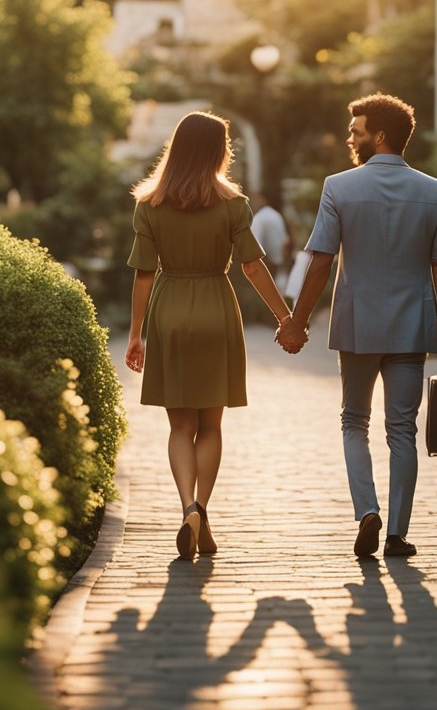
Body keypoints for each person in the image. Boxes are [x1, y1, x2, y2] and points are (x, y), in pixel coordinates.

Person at [278, 93, 437, 558]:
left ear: (379, 135)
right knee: (402, 430)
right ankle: (398, 534)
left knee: (353, 421)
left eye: (357, 130)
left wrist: (296, 322)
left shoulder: (338, 187)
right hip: (411, 327)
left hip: (358, 325)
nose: (351, 137)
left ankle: (367, 512)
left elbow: (321, 261)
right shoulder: (434, 191)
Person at [125, 110, 300, 560]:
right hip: (217, 310)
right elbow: (253, 267)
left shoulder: (149, 204)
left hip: (169, 311)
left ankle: (187, 508)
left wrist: (135, 335)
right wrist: (287, 317)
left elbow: (144, 274)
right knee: (211, 425)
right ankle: (203, 507)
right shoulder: (233, 204)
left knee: (180, 426)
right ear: (220, 151)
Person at [250, 192, 293, 288]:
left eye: (255, 199)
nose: (253, 203)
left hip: (267, 266)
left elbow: (254, 246)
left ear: (262, 199)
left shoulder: (259, 218)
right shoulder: (276, 215)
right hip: (280, 263)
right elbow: (286, 242)